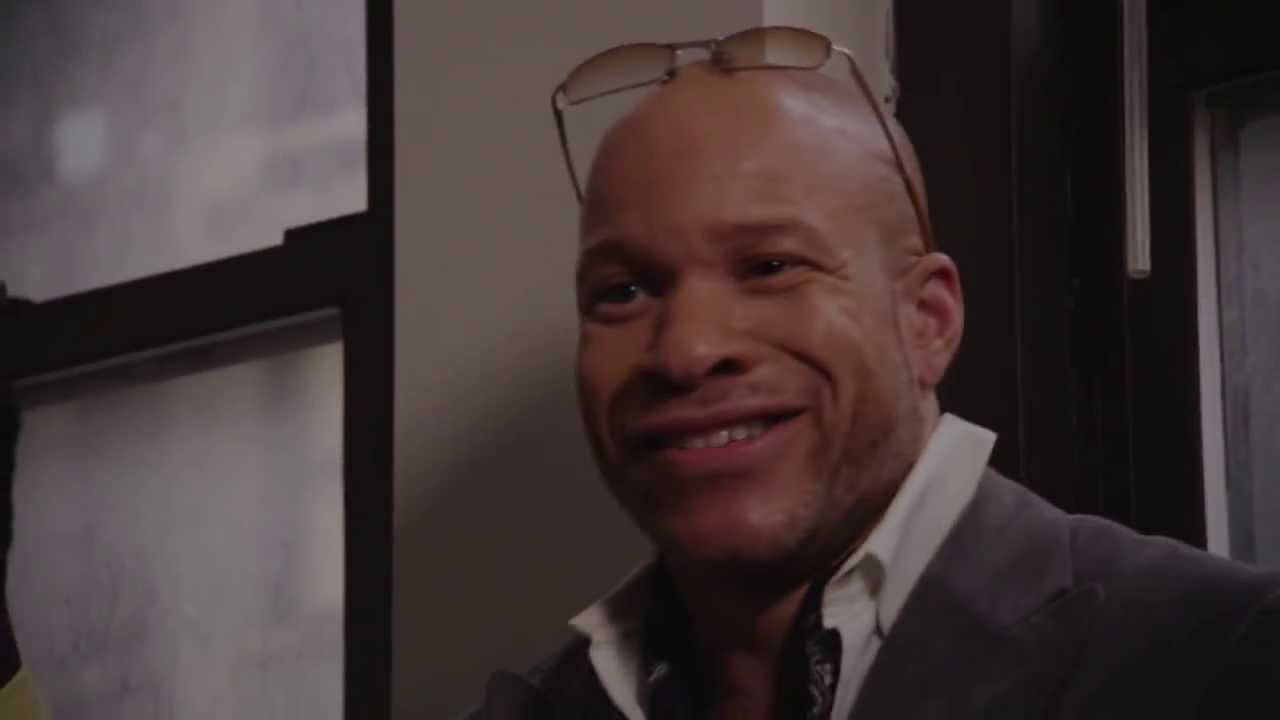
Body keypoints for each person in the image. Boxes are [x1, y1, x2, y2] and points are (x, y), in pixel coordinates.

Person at [471, 27, 1280, 719]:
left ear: (928, 322)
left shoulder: (1228, 658)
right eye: (623, 292)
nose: (684, 350)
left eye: (770, 266)